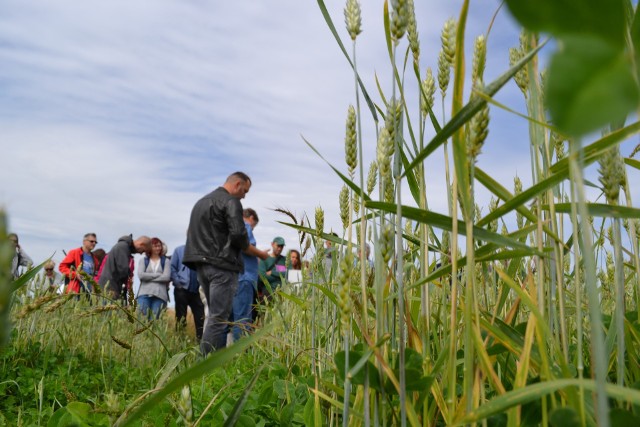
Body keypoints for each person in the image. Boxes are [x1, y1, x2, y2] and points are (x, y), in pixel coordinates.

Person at [183, 172, 268, 355]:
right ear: (237, 184)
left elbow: (191, 234)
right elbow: (238, 235)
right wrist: (248, 245)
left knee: (215, 316)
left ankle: (214, 362)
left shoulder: (201, 203)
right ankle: (206, 365)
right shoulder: (231, 202)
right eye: (244, 190)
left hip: (201, 266)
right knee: (219, 319)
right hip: (222, 265)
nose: (244, 195)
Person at [230, 208, 262, 342]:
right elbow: (248, 247)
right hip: (245, 277)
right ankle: (241, 354)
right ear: (251, 218)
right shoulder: (245, 226)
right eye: (254, 225)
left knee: (232, 318)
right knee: (243, 319)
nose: (252, 228)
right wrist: (262, 254)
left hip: (233, 277)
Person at [98, 235, 151, 301]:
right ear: (141, 244)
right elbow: (123, 270)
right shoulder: (123, 247)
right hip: (111, 288)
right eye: (143, 251)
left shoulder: (123, 247)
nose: (141, 253)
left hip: (110, 286)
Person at [171, 243, 205, 341]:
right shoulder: (179, 250)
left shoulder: (202, 251)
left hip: (197, 290)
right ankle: (180, 341)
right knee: (181, 317)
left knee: (200, 318)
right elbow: (173, 267)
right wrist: (179, 284)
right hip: (182, 290)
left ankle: (200, 342)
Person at [137, 237, 171, 319]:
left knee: (154, 320)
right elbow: (141, 275)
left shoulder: (166, 261)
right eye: (155, 246)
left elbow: (166, 277)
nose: (158, 248)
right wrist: (158, 275)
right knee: (142, 319)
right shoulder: (143, 260)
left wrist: (148, 276)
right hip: (144, 294)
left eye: (159, 246)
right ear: (150, 247)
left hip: (160, 295)